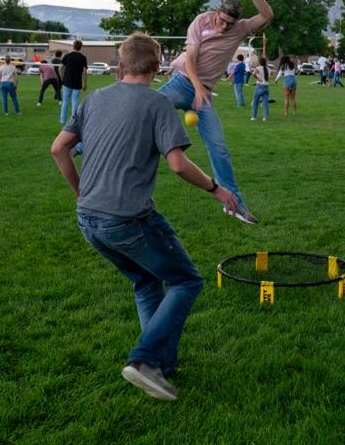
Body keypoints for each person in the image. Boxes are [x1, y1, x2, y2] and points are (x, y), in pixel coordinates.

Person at [50, 32, 238, 402]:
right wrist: (218, 189)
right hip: (127, 220)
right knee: (186, 281)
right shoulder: (157, 105)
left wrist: (79, 191)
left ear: (120, 66)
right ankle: (145, 360)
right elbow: (178, 166)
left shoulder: (95, 99)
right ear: (157, 67)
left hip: (88, 219)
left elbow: (59, 148)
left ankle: (161, 366)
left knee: (146, 283)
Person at [157, 0, 273, 225]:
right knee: (143, 109)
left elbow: (267, 14)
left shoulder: (241, 28)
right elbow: (190, 58)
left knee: (219, 150)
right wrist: (197, 87)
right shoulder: (201, 22)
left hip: (204, 96)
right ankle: (84, 142)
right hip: (183, 83)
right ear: (216, 12)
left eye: (229, 24)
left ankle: (235, 204)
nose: (223, 27)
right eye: (221, 20)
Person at [60, 40, 88, 123]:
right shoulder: (83, 58)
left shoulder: (67, 56)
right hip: (77, 83)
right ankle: (73, 120)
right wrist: (85, 84)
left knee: (65, 101)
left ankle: (62, 120)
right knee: (75, 101)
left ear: (73, 46)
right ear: (80, 47)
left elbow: (60, 68)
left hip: (67, 82)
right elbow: (85, 72)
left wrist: (62, 78)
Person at [250, 57, 270, 121]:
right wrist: (267, 79)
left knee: (255, 102)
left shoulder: (258, 68)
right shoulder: (269, 69)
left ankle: (253, 117)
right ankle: (265, 117)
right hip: (266, 87)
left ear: (259, 62)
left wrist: (259, 79)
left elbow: (253, 74)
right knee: (265, 103)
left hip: (259, 86)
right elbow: (274, 75)